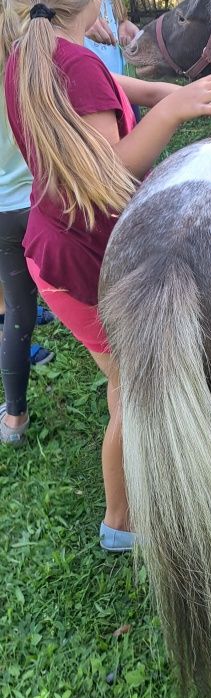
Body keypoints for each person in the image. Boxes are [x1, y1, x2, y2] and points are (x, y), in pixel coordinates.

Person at [0, 0, 211, 548]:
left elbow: (121, 86)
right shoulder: (71, 65)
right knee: (130, 392)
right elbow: (115, 168)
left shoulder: (33, 52)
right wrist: (182, 107)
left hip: (58, 247)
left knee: (127, 384)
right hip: (81, 258)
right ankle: (120, 522)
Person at [0, 84, 54, 445]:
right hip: (41, 199)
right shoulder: (27, 65)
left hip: (4, 210)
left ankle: (14, 418)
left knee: (18, 310)